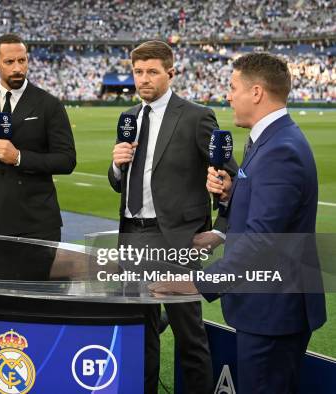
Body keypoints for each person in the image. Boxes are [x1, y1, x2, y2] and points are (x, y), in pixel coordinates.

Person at [151, 52, 326, 393]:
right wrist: (232, 196)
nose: (228, 96)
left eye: (233, 87)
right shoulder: (270, 139)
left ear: (257, 92)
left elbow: (261, 242)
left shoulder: (280, 149)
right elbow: (270, 212)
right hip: (268, 306)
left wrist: (196, 283)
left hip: (272, 309)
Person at [108, 40, 237, 394]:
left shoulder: (196, 117)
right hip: (132, 237)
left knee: (188, 335)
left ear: (171, 72)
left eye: (152, 71)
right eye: (138, 72)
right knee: (139, 331)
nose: (144, 79)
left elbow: (232, 179)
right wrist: (116, 166)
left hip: (177, 241)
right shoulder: (129, 117)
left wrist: (221, 231)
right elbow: (120, 182)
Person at [0, 34, 76, 242]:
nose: (17, 68)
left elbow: (67, 160)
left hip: (37, 223)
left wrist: (19, 157)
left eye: (22, 61)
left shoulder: (49, 104)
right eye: (9, 62)